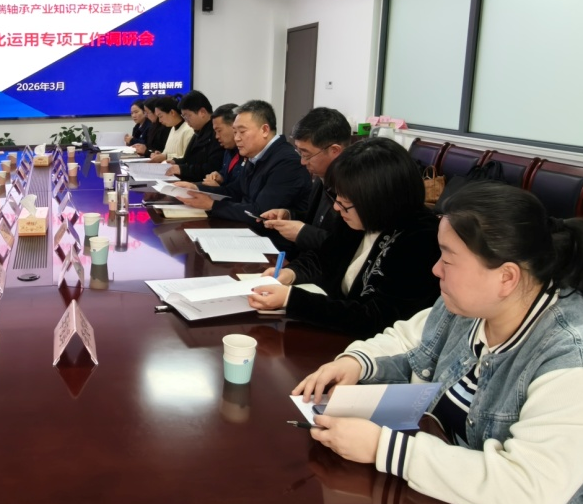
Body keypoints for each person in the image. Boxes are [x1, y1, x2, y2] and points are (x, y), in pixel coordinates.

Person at [292, 183, 583, 504]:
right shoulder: (474, 305)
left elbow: (528, 490)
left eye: (448, 258)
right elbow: (411, 340)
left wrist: (383, 448)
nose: (436, 269)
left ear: (506, 277)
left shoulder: (582, 365)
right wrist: (356, 362)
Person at [246, 138, 441, 336]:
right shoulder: (358, 216)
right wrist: (290, 273)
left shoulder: (421, 239)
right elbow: (324, 256)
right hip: (334, 330)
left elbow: (378, 319)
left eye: (345, 202)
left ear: (379, 200)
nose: (336, 207)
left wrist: (292, 299)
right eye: (337, 197)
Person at [175, 100, 309, 222]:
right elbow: (235, 191)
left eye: (242, 132)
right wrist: (196, 188)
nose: (237, 138)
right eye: (235, 132)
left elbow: (260, 213)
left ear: (264, 130)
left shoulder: (287, 162)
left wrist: (212, 205)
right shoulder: (255, 155)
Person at [260, 107, 352, 253]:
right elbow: (316, 221)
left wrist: (303, 233)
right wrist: (289, 215)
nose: (302, 162)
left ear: (334, 151)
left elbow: (346, 248)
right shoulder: (321, 178)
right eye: (300, 152)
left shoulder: (353, 188)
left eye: (306, 154)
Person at [167, 91, 224, 182]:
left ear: (202, 112)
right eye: (184, 117)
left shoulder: (216, 134)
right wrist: (175, 162)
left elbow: (212, 168)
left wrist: (182, 169)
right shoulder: (199, 131)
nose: (186, 121)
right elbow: (189, 160)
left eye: (187, 116)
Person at [201, 103, 241, 188]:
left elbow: (239, 192)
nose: (216, 136)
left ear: (234, 126)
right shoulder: (228, 150)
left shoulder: (248, 153)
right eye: (215, 132)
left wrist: (219, 189)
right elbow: (226, 177)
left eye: (219, 130)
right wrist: (220, 177)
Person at [148, 96, 192, 162]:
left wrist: (166, 156)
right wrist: (160, 155)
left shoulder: (188, 129)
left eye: (160, 116)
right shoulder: (173, 128)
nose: (159, 120)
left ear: (172, 112)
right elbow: (169, 152)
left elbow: (187, 158)